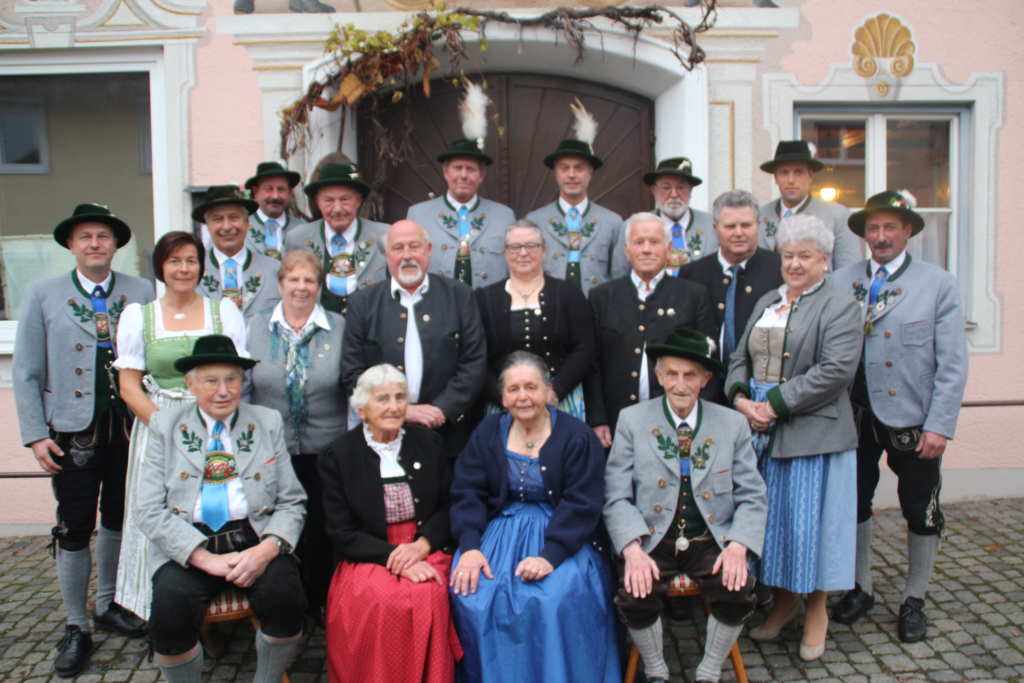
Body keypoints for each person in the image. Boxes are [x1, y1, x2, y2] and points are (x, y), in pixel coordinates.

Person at [13, 204, 154, 677]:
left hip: (129, 429)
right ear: (71, 245)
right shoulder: (41, 294)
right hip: (71, 430)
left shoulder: (140, 291)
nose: (95, 243)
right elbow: (26, 370)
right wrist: (34, 435)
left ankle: (108, 603)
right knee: (74, 526)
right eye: (85, 237)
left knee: (118, 515)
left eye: (103, 236)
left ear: (116, 245)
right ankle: (76, 626)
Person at [830, 191, 968, 643]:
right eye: (873, 228)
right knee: (854, 499)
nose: (882, 236)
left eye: (891, 227)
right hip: (853, 415)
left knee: (920, 508)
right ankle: (861, 585)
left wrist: (940, 424)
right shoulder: (840, 281)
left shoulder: (937, 283)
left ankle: (914, 598)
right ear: (864, 234)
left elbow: (952, 363)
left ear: (908, 230)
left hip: (913, 418)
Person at [724, 214, 862, 661]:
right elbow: (739, 356)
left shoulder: (840, 306)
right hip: (760, 431)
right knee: (778, 524)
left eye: (806, 256)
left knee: (813, 526)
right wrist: (742, 400)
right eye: (788, 255)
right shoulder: (769, 299)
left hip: (813, 434)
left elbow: (835, 371)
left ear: (825, 259)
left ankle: (817, 607)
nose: (795, 264)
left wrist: (774, 405)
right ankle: (783, 601)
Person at [134, 335, 306, 683]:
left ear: (242, 382)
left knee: (287, 599)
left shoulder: (266, 421)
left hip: (253, 534)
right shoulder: (165, 426)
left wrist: (265, 552)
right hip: (188, 542)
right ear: (190, 383)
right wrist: (204, 559)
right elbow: (148, 510)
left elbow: (292, 501)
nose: (223, 390)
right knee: (168, 615)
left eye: (231, 379)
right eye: (211, 380)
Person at [604, 328, 767, 683]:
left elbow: (753, 496)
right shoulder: (632, 420)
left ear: (706, 379)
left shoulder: (733, 424)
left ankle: (708, 672)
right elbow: (616, 496)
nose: (680, 384)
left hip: (710, 539)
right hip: (651, 540)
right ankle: (657, 671)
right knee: (635, 594)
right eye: (672, 374)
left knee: (736, 590)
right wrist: (632, 550)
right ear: (659, 376)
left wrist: (738, 546)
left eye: (690, 374)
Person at [449, 351, 620, 683]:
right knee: (474, 595)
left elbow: (582, 503)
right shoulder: (487, 432)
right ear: (502, 396)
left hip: (561, 535)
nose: (522, 397)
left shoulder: (577, 435)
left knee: (554, 597)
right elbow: (467, 491)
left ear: (549, 391)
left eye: (531, 387)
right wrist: (470, 546)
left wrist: (549, 557)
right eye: (513, 389)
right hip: (496, 534)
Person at [114, 231, 248, 624]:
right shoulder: (140, 315)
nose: (183, 268)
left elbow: (239, 376)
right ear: (161, 267)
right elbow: (128, 386)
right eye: (174, 261)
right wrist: (169, 429)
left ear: (201, 266)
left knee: (213, 509)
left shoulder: (224, 311)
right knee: (159, 513)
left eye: (191, 260)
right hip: (158, 426)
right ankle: (161, 611)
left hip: (218, 426)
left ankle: (214, 602)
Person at [319, 364, 462, 682]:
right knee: (384, 602)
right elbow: (341, 531)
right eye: (382, 398)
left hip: (425, 546)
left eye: (400, 397)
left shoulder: (429, 443)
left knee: (432, 593)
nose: (394, 407)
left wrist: (422, 544)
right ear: (361, 409)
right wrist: (394, 559)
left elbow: (448, 506)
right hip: (369, 554)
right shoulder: (338, 455)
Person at [246, 248, 347, 630]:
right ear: (280, 284)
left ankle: (321, 599)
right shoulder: (255, 326)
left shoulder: (339, 326)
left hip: (327, 448)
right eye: (294, 279)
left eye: (310, 280)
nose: (301, 288)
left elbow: (351, 389)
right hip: (272, 451)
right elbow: (241, 388)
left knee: (322, 528)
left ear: (320, 286)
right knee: (278, 527)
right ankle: (286, 602)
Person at [341, 220, 486, 462]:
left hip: (449, 435)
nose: (407, 256)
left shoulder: (458, 295)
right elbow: (352, 372)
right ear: (386, 254)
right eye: (398, 248)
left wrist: (443, 409)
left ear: (428, 250)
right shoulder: (362, 303)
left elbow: (474, 362)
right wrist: (401, 410)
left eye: (414, 246)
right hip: (382, 437)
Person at [586, 211, 717, 446]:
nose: (646, 249)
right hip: (616, 421)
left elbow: (709, 362)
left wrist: (699, 418)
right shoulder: (602, 297)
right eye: (639, 242)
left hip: (679, 420)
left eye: (654, 242)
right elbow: (592, 364)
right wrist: (597, 418)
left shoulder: (693, 295)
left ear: (668, 249)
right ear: (627, 251)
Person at [474, 220, 596, 421]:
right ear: (505, 252)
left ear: (544, 250)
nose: (523, 253)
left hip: (560, 401)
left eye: (531, 246)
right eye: (514, 247)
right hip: (504, 405)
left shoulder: (568, 292)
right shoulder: (484, 299)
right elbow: (476, 356)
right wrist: (503, 396)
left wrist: (554, 392)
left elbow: (585, 348)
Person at [678, 190, 785, 400]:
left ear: (759, 224)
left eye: (746, 225)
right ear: (715, 228)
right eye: (730, 226)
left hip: (763, 392)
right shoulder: (692, 273)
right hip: (706, 392)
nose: (738, 233)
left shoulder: (780, 269)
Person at [406, 82, 515, 288]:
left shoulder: (504, 216)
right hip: (438, 307)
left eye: (471, 169)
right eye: (457, 168)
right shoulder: (418, 215)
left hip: (487, 310)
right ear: (445, 172)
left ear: (481, 175)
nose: (463, 175)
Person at [524, 101, 625, 295]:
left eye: (579, 168)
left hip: (596, 312)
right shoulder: (534, 221)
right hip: (550, 310)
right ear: (556, 173)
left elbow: (619, 276)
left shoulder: (613, 222)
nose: (571, 175)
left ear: (590, 173)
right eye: (564, 168)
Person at [284, 162, 389, 315]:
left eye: (345, 199)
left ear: (358, 200)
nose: (338, 209)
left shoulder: (384, 235)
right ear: (318, 202)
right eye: (329, 201)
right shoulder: (297, 238)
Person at [757, 141, 861, 272]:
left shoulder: (838, 215)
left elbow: (848, 275)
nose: (791, 180)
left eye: (798, 172)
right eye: (784, 172)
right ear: (776, 178)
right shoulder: (759, 215)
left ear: (810, 176)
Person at [193, 185, 282, 323]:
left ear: (247, 222)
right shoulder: (193, 272)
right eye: (217, 219)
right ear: (207, 224)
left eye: (234, 217)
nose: (227, 226)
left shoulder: (276, 271)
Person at [637, 157, 718, 275]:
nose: (674, 194)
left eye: (681, 187)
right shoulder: (636, 226)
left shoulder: (713, 225)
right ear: (654, 191)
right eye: (666, 187)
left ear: (690, 190)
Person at [244, 161, 302, 260]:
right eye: (268, 189)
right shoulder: (239, 228)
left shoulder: (303, 229)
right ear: (255, 192)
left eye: (281, 189)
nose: (275, 196)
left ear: (289, 192)